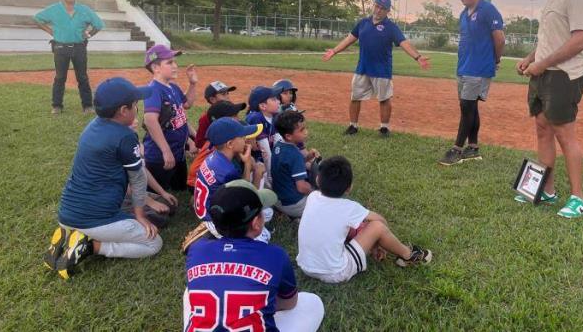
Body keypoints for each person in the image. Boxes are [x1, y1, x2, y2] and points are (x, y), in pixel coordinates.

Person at [43, 77, 162, 279]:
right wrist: (140, 215)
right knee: (154, 243)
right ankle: (90, 246)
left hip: (68, 212)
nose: (137, 108)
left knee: (152, 213)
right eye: (135, 105)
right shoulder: (125, 136)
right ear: (124, 111)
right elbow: (138, 179)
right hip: (94, 219)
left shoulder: (93, 126)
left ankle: (71, 234)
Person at [515, 0, 583, 219]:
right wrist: (529, 59)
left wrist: (544, 64)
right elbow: (549, 42)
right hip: (543, 74)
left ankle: (578, 197)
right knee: (542, 130)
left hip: (563, 76)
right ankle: (545, 190)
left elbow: (579, 40)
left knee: (564, 134)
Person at [184, 181, 325, 332]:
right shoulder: (275, 255)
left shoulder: (196, 250)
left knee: (189, 293)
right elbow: (289, 303)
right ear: (256, 223)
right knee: (313, 302)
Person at [297, 156, 432, 284]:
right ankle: (408, 255)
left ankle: (397, 251)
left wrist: (372, 243)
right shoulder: (348, 208)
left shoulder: (312, 197)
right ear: (349, 188)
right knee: (377, 226)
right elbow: (381, 221)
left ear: (318, 180)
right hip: (335, 272)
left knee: (352, 226)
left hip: (305, 266)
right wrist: (378, 242)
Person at [322, 0, 430, 137]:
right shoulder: (363, 23)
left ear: (387, 11)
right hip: (363, 68)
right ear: (374, 5)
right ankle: (353, 126)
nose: (378, 10)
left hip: (382, 70)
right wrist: (334, 51)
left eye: (382, 8)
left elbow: (404, 43)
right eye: (377, 6)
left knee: (384, 99)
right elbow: (350, 39)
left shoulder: (391, 27)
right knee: (355, 97)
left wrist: (417, 57)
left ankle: (384, 128)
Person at [439, 0, 505, 166]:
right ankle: (473, 148)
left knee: (467, 107)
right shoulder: (463, 14)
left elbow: (499, 39)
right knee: (470, 107)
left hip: (479, 68)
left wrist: (496, 60)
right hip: (464, 67)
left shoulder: (488, 10)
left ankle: (457, 149)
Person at [34, 0, 104, 115]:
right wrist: (50, 31)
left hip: (79, 47)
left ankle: (88, 106)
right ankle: (57, 106)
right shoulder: (54, 9)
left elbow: (99, 24)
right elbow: (37, 18)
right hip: (60, 47)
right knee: (60, 77)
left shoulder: (84, 9)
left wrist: (88, 34)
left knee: (82, 77)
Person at [142, 44, 198, 192]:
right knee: (157, 192)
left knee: (180, 187)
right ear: (156, 68)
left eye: (174, 61)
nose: (175, 65)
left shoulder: (172, 86)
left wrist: (192, 84)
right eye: (169, 62)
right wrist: (165, 151)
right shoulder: (153, 89)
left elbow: (187, 104)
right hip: (160, 157)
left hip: (178, 151)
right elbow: (150, 119)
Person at [271, 111, 321, 218]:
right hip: (294, 204)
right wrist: (317, 193)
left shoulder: (278, 146)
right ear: (288, 136)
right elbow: (302, 188)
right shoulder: (295, 154)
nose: (306, 132)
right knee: (327, 204)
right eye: (302, 130)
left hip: (278, 199)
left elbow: (290, 166)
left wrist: (308, 157)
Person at [245, 85, 284, 181]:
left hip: (266, 160)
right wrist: (272, 177)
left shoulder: (274, 116)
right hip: (254, 162)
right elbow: (265, 151)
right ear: (263, 106)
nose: (279, 101)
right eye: (274, 99)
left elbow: (279, 143)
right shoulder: (256, 118)